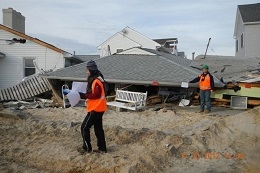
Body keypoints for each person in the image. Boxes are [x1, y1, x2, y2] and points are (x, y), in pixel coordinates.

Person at [64, 60, 107, 154]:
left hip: (95, 109)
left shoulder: (96, 81)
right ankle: (102, 149)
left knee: (84, 127)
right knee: (98, 129)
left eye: (87, 70)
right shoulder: (98, 78)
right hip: (99, 108)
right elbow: (94, 94)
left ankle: (86, 148)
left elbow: (96, 95)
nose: (86, 72)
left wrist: (82, 95)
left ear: (92, 70)